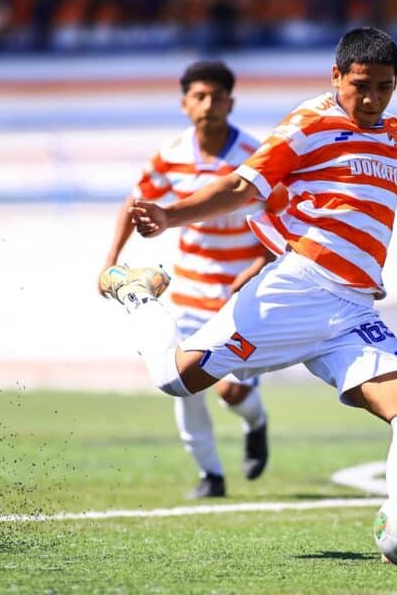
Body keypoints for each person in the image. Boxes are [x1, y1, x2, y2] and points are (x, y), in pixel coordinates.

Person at [102, 27, 397, 569]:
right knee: (175, 379)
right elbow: (243, 186)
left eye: (385, 87)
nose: (373, 99)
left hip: (353, 310)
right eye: (361, 86)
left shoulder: (395, 136)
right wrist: (170, 214)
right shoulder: (310, 123)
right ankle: (138, 295)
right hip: (297, 290)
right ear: (336, 76)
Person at [100, 61, 278, 499]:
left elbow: (283, 215)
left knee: (232, 391)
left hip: (241, 291)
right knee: (182, 381)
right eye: (200, 96)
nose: (208, 104)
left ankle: (256, 421)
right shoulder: (171, 154)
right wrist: (111, 260)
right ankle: (210, 473)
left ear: (231, 103)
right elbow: (136, 200)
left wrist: (258, 264)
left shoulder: (256, 154)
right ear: (184, 104)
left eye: (217, 96)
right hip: (190, 290)